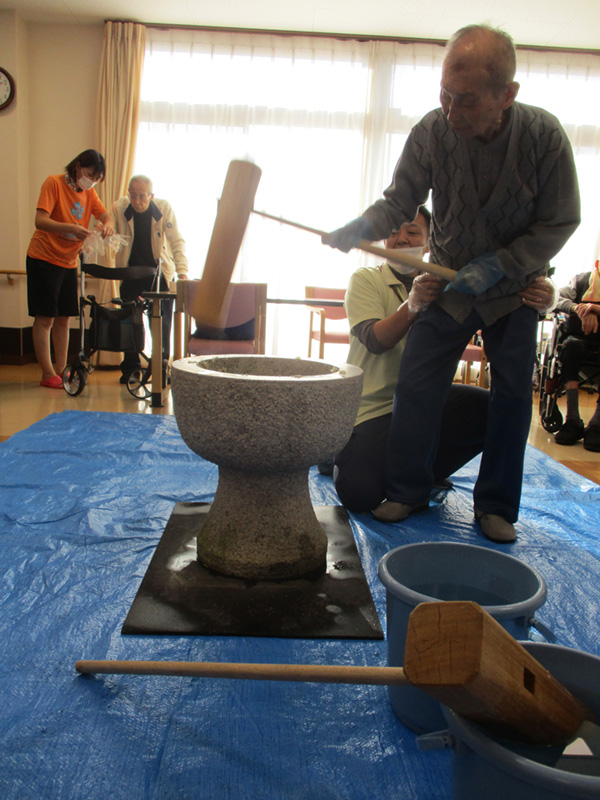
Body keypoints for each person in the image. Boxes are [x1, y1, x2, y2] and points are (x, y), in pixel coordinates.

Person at [324, 24, 580, 543]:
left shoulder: (545, 137)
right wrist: (361, 228)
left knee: (511, 394)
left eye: (465, 101)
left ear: (506, 96)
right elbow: (399, 201)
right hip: (447, 284)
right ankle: (406, 488)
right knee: (418, 385)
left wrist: (504, 263)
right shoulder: (431, 132)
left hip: (514, 291)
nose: (451, 110)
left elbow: (561, 221)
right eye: (444, 94)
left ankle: (496, 505)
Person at [333, 208, 558, 514]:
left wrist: (545, 295)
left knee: (495, 408)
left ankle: (422, 472)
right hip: (374, 408)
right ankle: (337, 458)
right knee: (359, 493)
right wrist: (412, 305)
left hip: (429, 401)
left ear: (431, 243)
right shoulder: (366, 279)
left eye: (412, 232)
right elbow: (376, 340)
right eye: (395, 232)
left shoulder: (450, 282)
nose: (401, 238)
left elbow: (499, 298)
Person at [26, 149, 114, 388]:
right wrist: (72, 228)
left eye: (97, 179)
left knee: (64, 318)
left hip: (68, 261)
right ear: (77, 167)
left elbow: (107, 216)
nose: (92, 181)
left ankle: (61, 370)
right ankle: (47, 374)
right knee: (45, 318)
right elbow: (40, 220)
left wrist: (107, 225)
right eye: (89, 175)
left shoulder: (89, 192)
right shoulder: (53, 183)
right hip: (43, 258)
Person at [111, 175, 188, 382]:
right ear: (128, 193)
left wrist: (182, 271)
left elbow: (176, 240)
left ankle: (161, 367)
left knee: (161, 321)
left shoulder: (162, 208)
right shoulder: (120, 208)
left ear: (151, 196)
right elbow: (108, 225)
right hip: (130, 272)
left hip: (158, 273)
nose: (137, 201)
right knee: (129, 320)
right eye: (133, 195)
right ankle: (131, 369)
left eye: (142, 196)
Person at [552, 262, 600, 451]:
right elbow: (555, 299)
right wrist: (578, 308)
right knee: (571, 346)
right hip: (577, 337)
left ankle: (597, 423)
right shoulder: (581, 280)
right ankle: (572, 419)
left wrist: (595, 310)